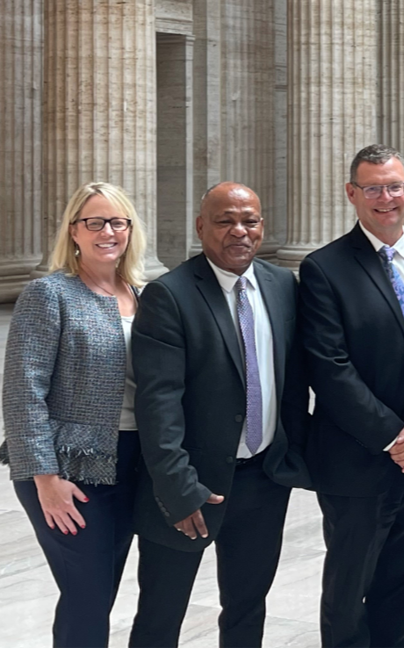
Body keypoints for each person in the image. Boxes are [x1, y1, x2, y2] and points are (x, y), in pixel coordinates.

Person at [297, 144, 404, 647]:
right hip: (357, 465)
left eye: (394, 186)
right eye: (372, 188)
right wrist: (396, 436)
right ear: (352, 194)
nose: (385, 197)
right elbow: (329, 368)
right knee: (348, 597)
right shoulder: (324, 268)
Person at [129, 182, 311, 647]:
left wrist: (290, 459)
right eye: (225, 220)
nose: (239, 231)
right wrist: (178, 489)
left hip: (263, 480)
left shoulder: (281, 286)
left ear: (262, 226)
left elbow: (291, 380)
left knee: (247, 610)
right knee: (160, 616)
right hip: (191, 487)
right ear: (200, 227)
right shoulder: (169, 296)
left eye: (250, 220)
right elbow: (158, 403)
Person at [0, 183, 146, 648]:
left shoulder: (145, 294)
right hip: (68, 470)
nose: (107, 232)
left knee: (100, 594)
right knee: (87, 594)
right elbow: (23, 392)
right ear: (73, 231)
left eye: (117, 222)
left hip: (133, 461)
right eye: (93, 222)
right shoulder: (49, 294)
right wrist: (45, 478)